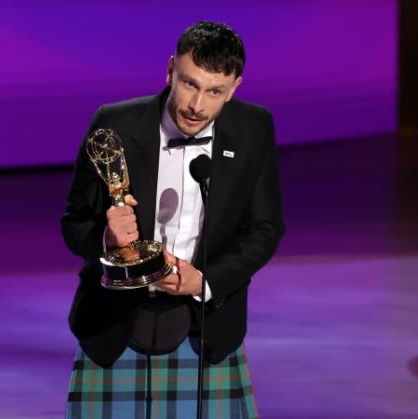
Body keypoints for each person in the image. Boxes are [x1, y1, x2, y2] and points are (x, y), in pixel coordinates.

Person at [61, 21, 284, 418]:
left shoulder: (253, 130)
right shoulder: (115, 127)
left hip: (207, 333)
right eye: (189, 84)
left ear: (235, 88)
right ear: (170, 71)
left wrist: (206, 280)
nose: (198, 105)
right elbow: (74, 224)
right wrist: (106, 241)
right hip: (114, 330)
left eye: (215, 91)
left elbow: (265, 229)